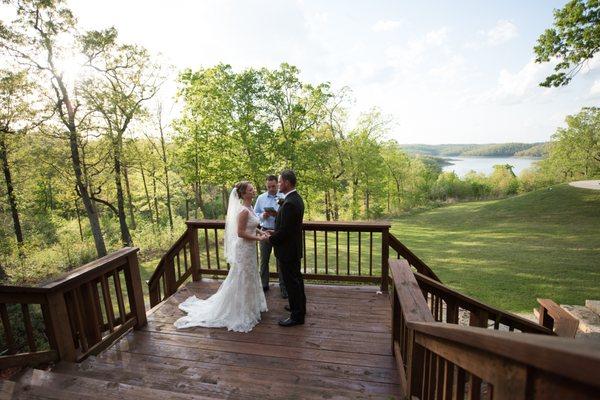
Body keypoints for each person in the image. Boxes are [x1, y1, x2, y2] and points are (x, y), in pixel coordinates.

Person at [174, 181, 268, 333]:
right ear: (243, 194)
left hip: (250, 250)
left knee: (250, 275)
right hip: (244, 249)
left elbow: (252, 225)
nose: (253, 191)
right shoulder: (243, 211)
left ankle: (250, 306)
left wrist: (261, 232)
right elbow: (240, 233)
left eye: (253, 189)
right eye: (250, 189)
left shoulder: (250, 208)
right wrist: (259, 239)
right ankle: (240, 309)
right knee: (242, 276)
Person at [267, 170, 306, 327]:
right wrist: (274, 232)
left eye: (280, 182)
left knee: (292, 282)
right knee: (296, 280)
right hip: (292, 248)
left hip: (288, 250)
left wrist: (270, 238)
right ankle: (298, 307)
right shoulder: (294, 199)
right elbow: (285, 226)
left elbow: (286, 231)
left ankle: (297, 316)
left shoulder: (290, 203)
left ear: (288, 183)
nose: (278, 184)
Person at [254, 175, 287, 298]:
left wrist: (277, 214)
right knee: (264, 260)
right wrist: (263, 215)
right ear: (266, 185)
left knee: (281, 261)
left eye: (273, 186)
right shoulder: (261, 198)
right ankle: (264, 285)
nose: (271, 189)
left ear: (277, 185)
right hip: (264, 232)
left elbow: (287, 214)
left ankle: (283, 288)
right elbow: (255, 214)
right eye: (269, 187)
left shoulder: (283, 196)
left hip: (278, 233)